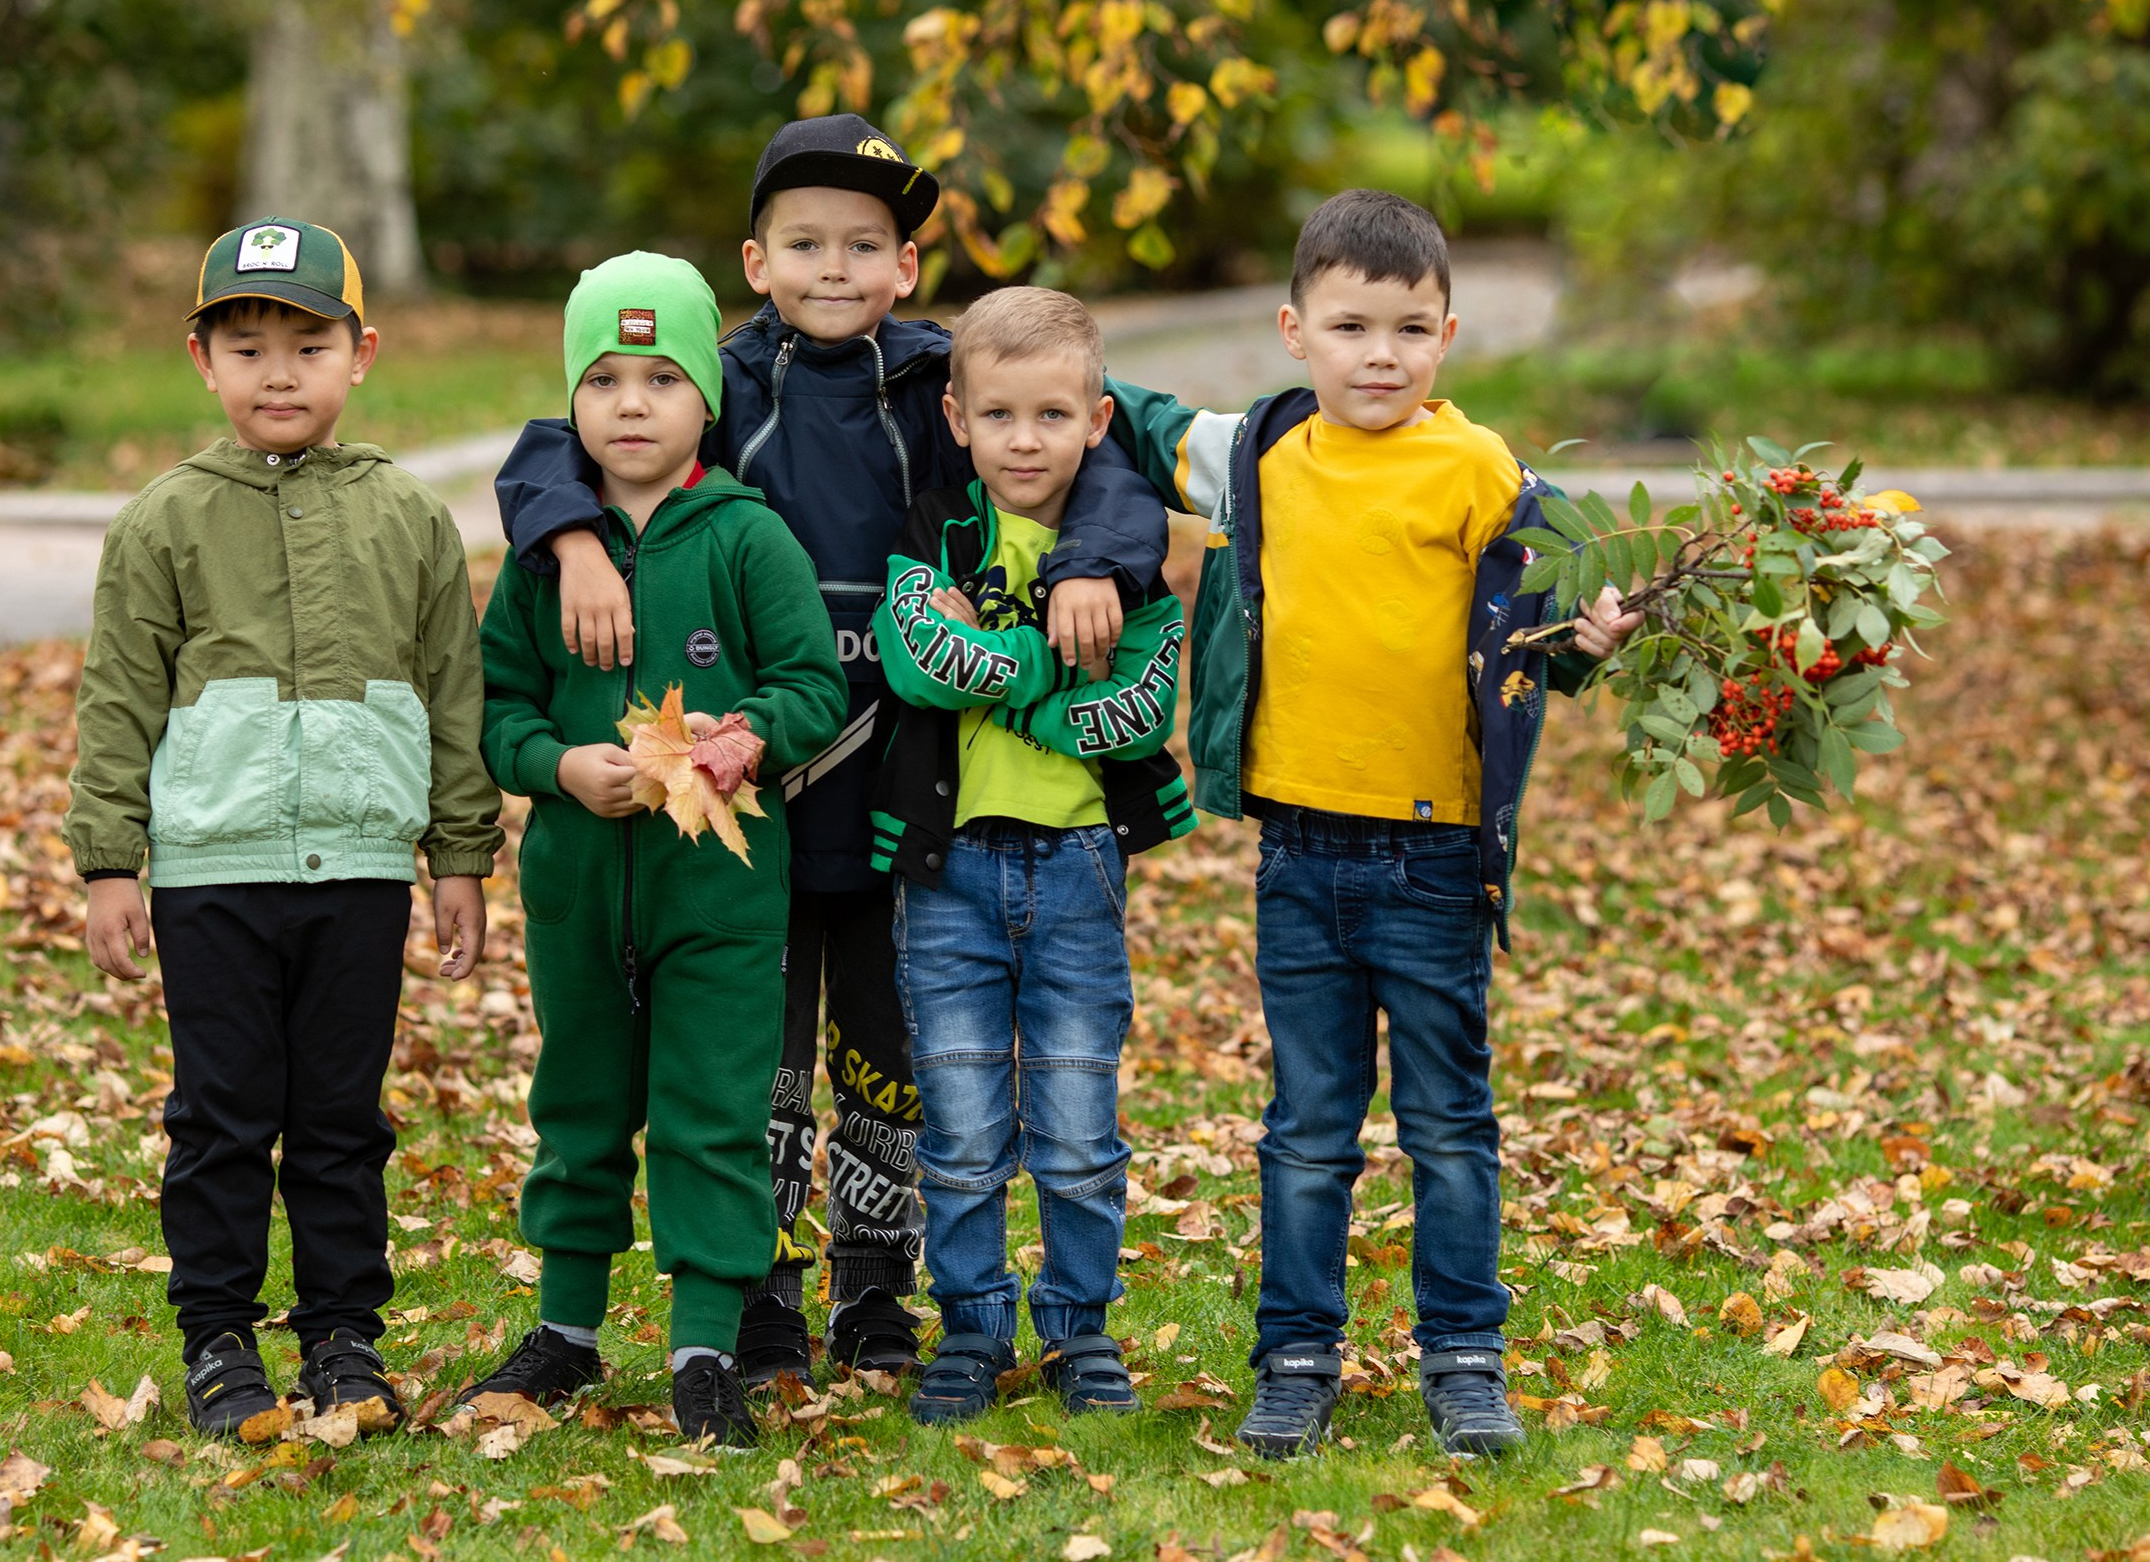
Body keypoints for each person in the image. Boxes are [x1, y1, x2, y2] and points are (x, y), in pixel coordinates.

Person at [490, 116, 1170, 1390]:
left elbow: (1111, 451)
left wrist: (1087, 561)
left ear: (908, 264)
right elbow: (555, 438)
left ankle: (876, 1288)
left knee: (884, 1039)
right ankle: (760, 1293)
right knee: (757, 1056)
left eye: (866, 244)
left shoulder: (937, 380)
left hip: (902, 768)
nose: (835, 268)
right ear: (757, 260)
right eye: (806, 243)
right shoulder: (724, 383)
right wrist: (572, 537)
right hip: (740, 785)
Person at [1104, 190, 1643, 1459]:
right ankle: (1295, 1356)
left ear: (1447, 333)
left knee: (1449, 1124)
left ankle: (1463, 1357)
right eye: (1351, 326)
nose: (1380, 355)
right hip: (1298, 847)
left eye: (1409, 328)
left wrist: (1599, 634)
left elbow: (1562, 607)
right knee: (1306, 1125)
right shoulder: (1257, 455)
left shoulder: (1479, 467)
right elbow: (1115, 414)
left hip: (1434, 849)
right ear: (1294, 330)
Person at [66, 218, 503, 1435]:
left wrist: (458, 855)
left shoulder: (410, 518)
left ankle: (343, 1335)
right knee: (220, 1113)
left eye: (305, 344)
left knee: (339, 1117)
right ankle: (216, 1338)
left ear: (360, 354)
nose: (277, 372)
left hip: (361, 872)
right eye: (246, 344)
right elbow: (117, 696)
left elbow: (451, 693)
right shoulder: (163, 521)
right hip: (210, 873)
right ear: (200, 358)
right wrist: (111, 858)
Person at [460, 253, 848, 1448]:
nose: (631, 402)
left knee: (709, 1110)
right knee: (576, 1105)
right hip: (578, 886)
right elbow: (499, 708)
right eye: (605, 378)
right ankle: (566, 1330)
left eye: (662, 376)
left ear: (706, 401)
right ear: (571, 398)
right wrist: (558, 767)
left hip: (720, 893)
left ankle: (702, 1348)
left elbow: (811, 686)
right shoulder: (542, 555)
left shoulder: (747, 538)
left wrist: (748, 742)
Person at [865, 287, 1193, 1424]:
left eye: (1051, 415)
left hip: (1077, 867)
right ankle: (968, 1326)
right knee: (957, 1122)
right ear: (955, 417)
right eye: (997, 414)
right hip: (948, 869)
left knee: (1074, 1120)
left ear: (1098, 420)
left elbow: (1144, 702)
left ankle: (1079, 1326)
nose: (1023, 439)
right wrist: (1045, 664)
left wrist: (1016, 673)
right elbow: (919, 659)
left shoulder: (1128, 540)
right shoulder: (934, 527)